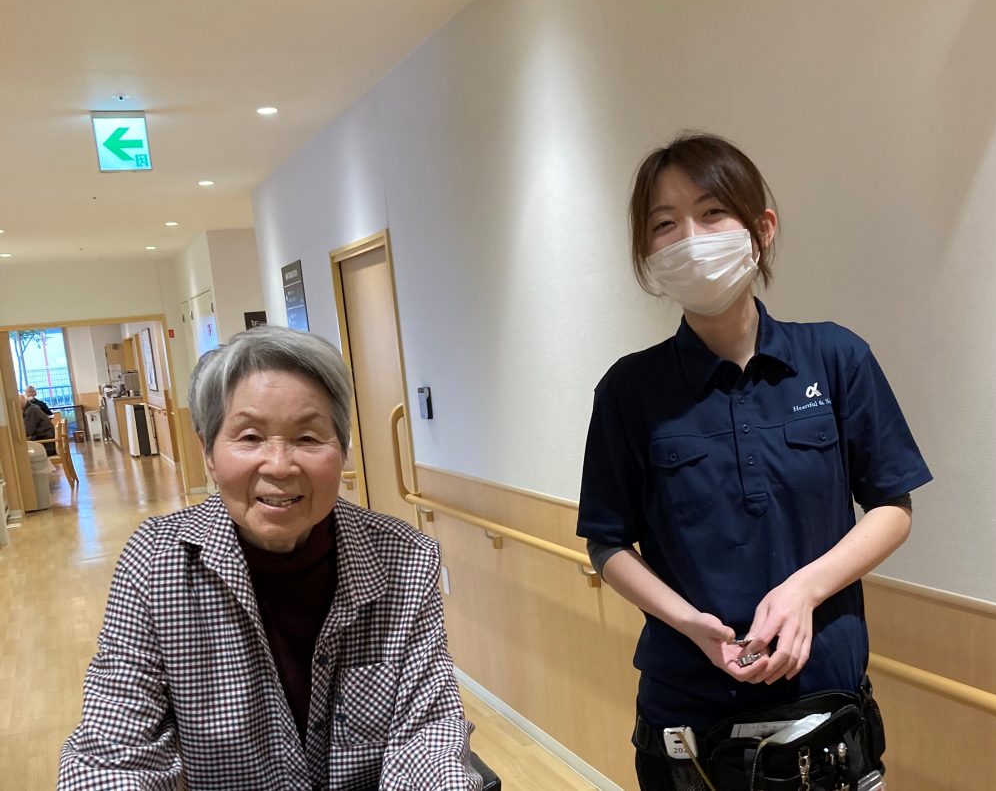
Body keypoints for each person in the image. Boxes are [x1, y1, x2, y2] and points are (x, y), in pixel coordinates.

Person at [576, 133, 932, 790]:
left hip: (825, 710)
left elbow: (892, 505)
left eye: (712, 212)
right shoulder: (630, 391)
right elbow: (606, 542)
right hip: (687, 725)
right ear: (647, 253)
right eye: (664, 224)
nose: (690, 239)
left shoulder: (836, 358)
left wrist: (805, 590)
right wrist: (688, 624)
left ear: (761, 230)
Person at [59, 325, 481, 790]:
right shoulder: (157, 564)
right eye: (250, 437)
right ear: (208, 453)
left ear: (342, 450)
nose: (279, 466)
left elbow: (428, 735)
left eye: (308, 438)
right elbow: (113, 755)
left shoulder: (405, 558)